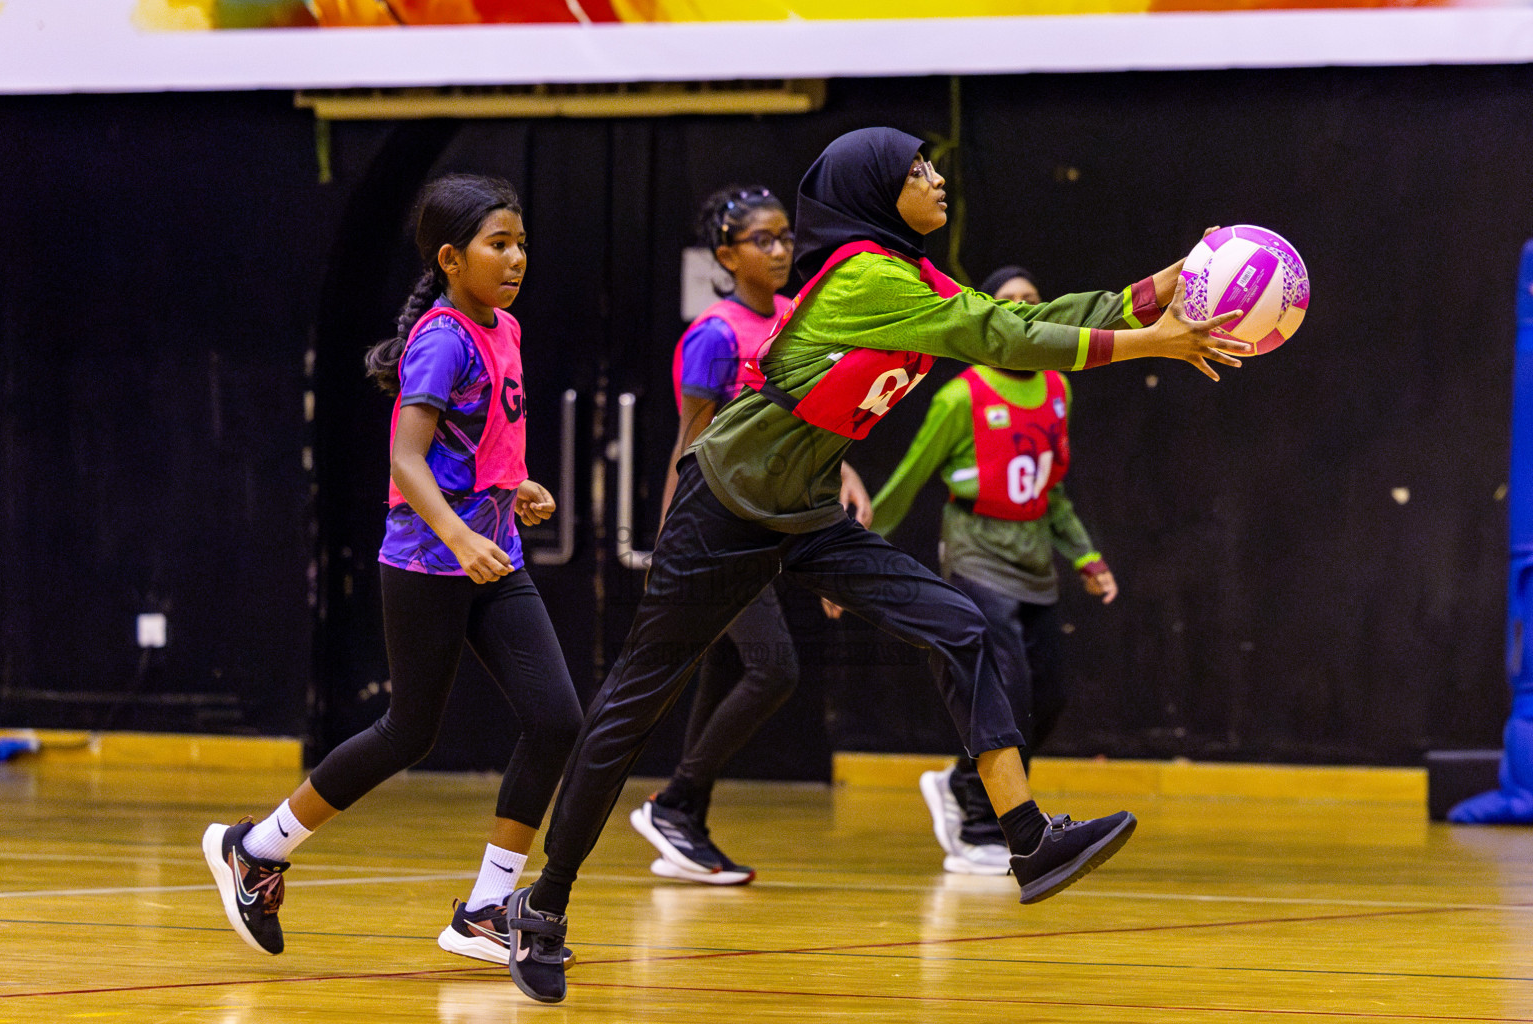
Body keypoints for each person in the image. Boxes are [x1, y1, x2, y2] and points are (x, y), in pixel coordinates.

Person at [504, 127, 1249, 1004]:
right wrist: (1152, 343)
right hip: (724, 508)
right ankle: (542, 905)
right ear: (873, 190)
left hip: (807, 512)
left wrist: (1165, 285)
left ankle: (1027, 838)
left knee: (960, 626)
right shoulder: (869, 278)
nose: (936, 179)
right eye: (917, 169)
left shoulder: (912, 275)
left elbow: (1024, 321)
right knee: (633, 707)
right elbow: (1004, 342)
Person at [200, 175, 583, 984]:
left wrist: (516, 485)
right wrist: (458, 533)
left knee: (555, 718)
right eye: (498, 244)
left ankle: (487, 908)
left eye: (521, 243)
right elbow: (407, 460)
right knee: (409, 731)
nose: (517, 258)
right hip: (428, 562)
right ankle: (257, 847)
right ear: (450, 258)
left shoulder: (505, 328)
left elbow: (472, 442)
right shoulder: (441, 339)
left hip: (494, 555)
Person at [630, 185, 872, 886]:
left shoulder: (795, 317)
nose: (780, 249)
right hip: (717, 528)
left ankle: (683, 817)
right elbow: (691, 444)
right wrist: (671, 541)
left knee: (726, 669)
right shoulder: (714, 336)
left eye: (785, 236)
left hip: (774, 523)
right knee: (773, 668)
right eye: (762, 239)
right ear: (727, 254)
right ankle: (673, 802)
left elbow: (803, 421)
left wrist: (845, 473)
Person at [865, 264, 1119, 875]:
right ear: (989, 316)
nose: (1023, 310)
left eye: (1034, 300)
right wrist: (861, 549)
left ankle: (960, 781)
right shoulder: (962, 396)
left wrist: (1085, 555)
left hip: (1034, 558)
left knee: (1048, 696)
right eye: (1009, 302)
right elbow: (907, 480)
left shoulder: (1057, 389)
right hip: (977, 553)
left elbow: (1053, 490)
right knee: (1012, 692)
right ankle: (984, 826)